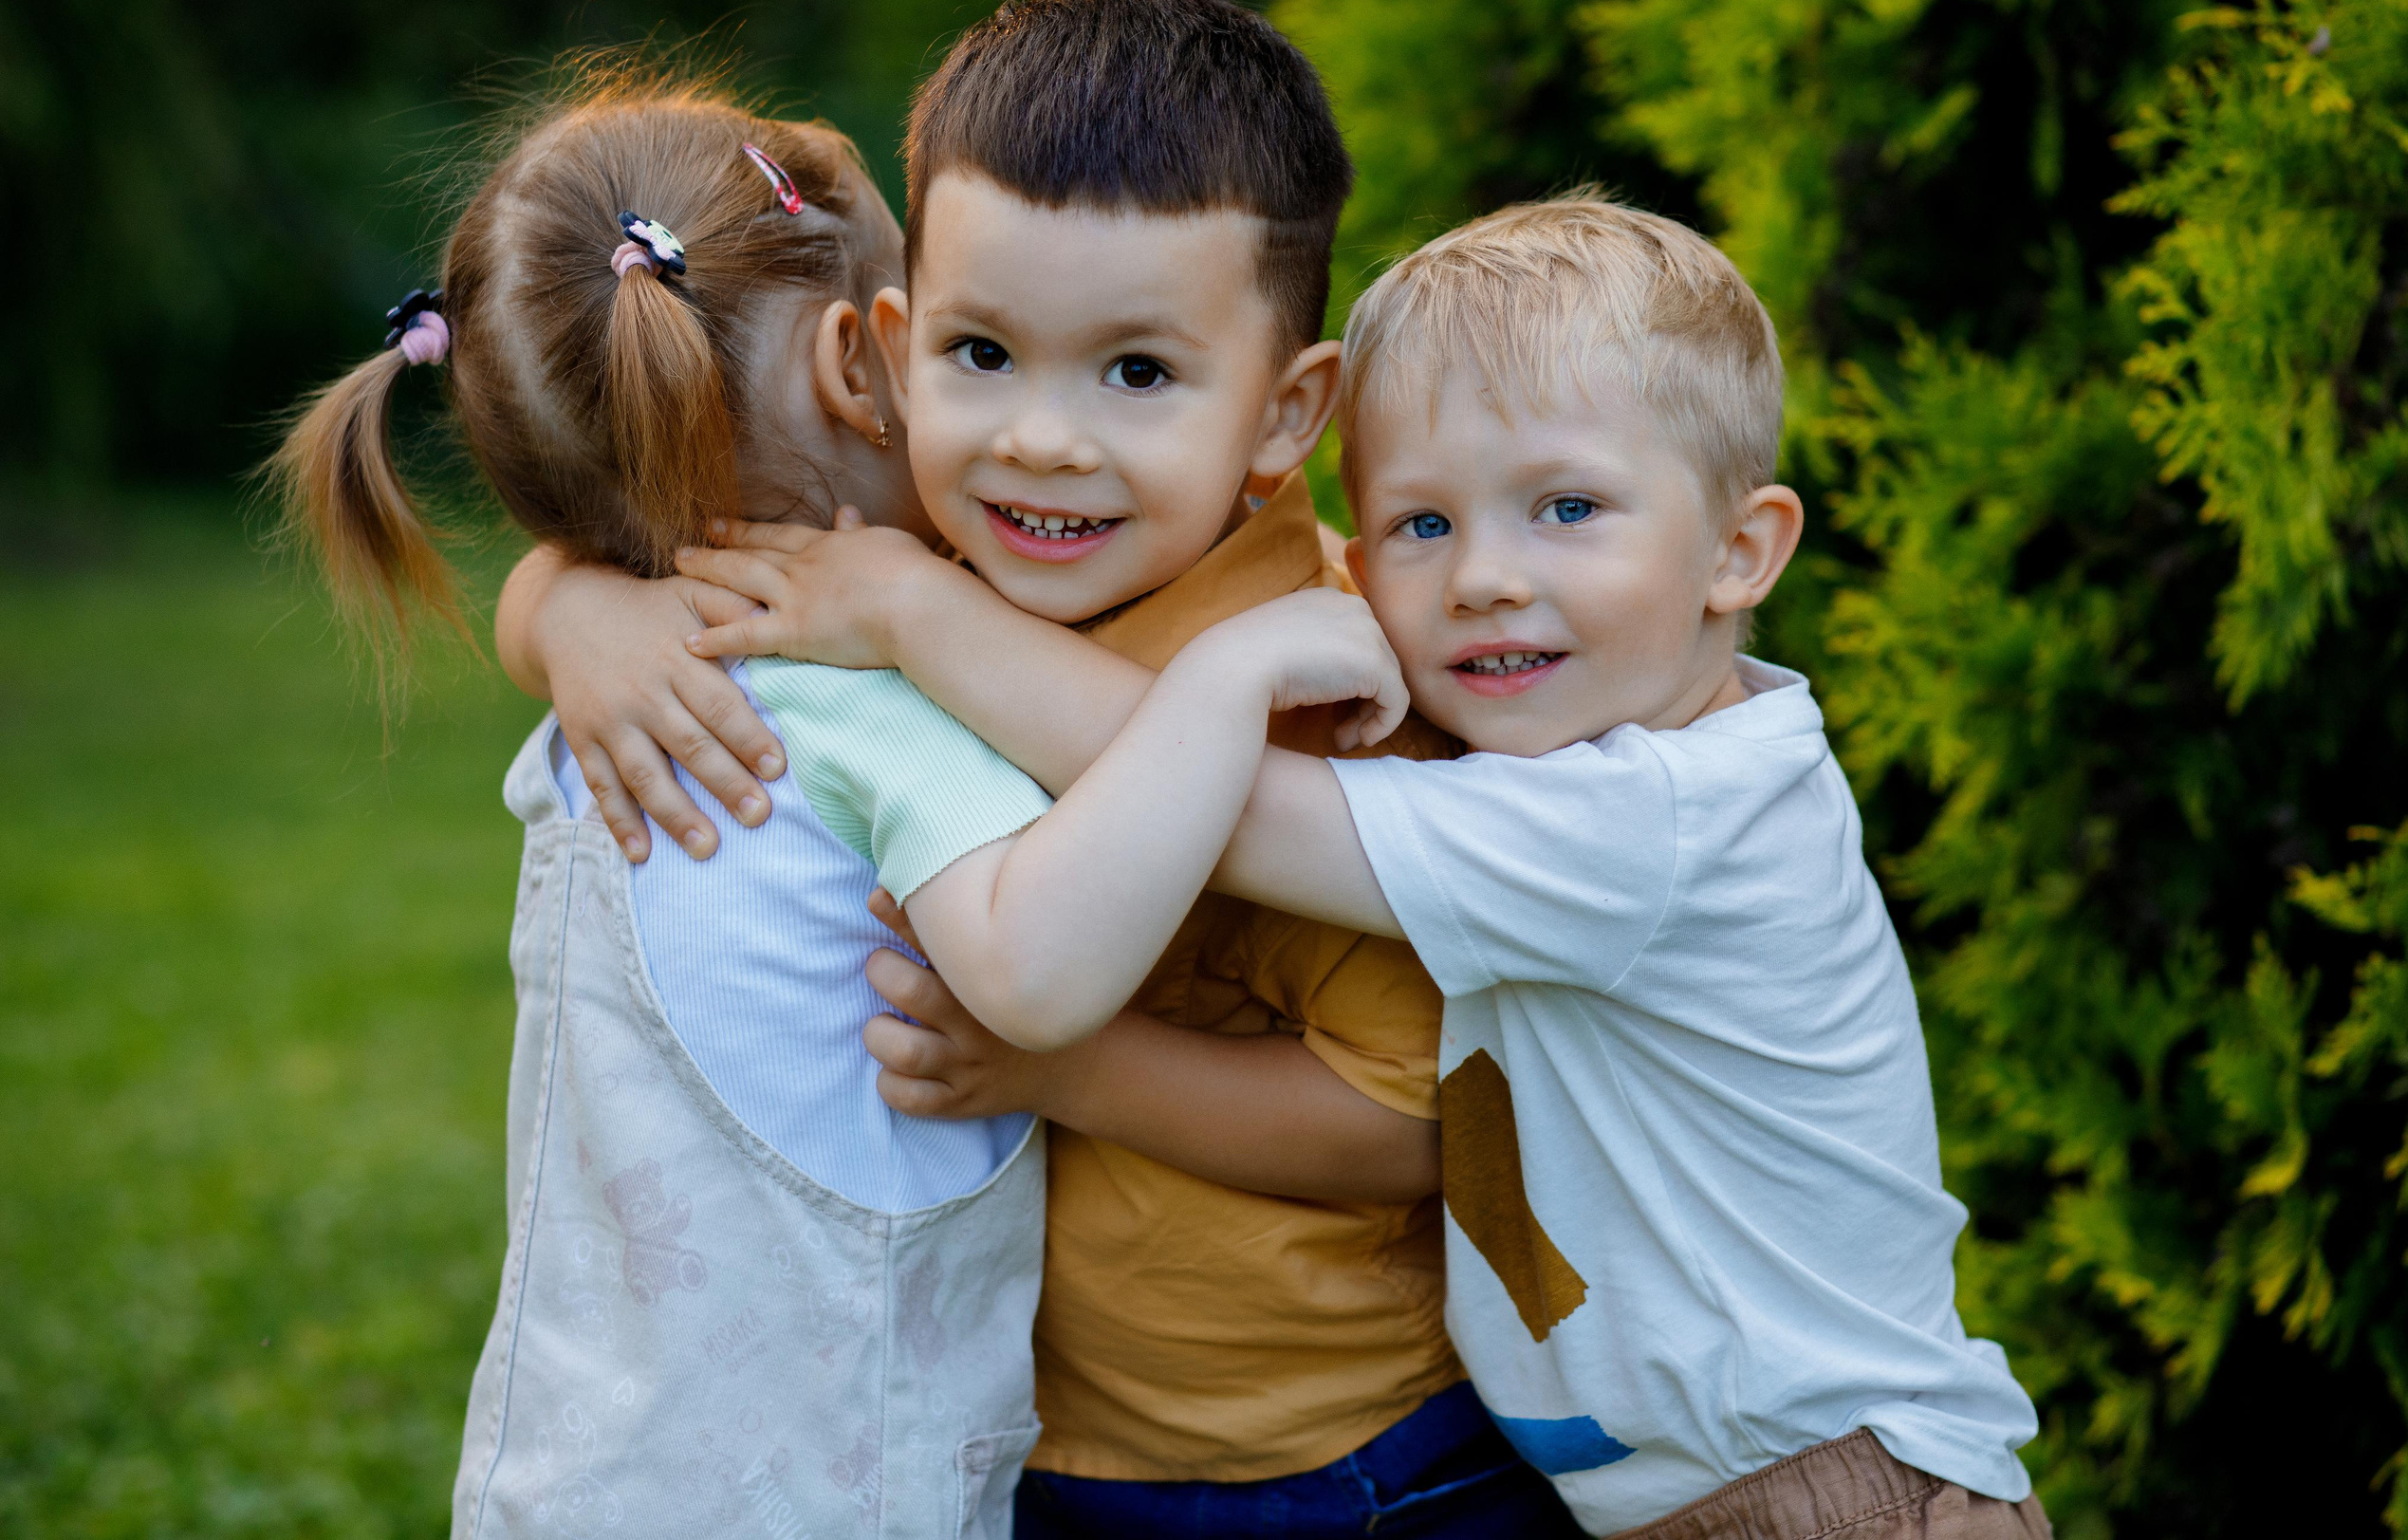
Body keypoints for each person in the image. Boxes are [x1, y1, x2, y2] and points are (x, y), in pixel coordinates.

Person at [683, 195, 2051, 1540]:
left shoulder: (1657, 825)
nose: (1483, 579)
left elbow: (1213, 803)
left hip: (1842, 1497)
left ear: (1740, 552)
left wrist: (917, 613)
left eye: (1569, 508)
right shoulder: (1602, 767)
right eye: (1421, 526)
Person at [492, 0, 1583, 1539]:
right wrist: (574, 612)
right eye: (983, 353)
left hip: (1319, 1461)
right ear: (892, 353)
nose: (1043, 439)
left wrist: (1073, 1072)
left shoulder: (1332, 692)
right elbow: (646, 544)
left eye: (1138, 374)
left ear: (1287, 415)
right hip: (1027, 1439)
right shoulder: (953, 546)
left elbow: (1420, 1125)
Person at [270, 67, 1057, 1538]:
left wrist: (559, 606)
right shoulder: (898, 721)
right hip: (846, 1488)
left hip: (567, 1478)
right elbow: (1056, 942)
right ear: (861, 362)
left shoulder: (609, 703)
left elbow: (562, 589)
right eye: (960, 344)